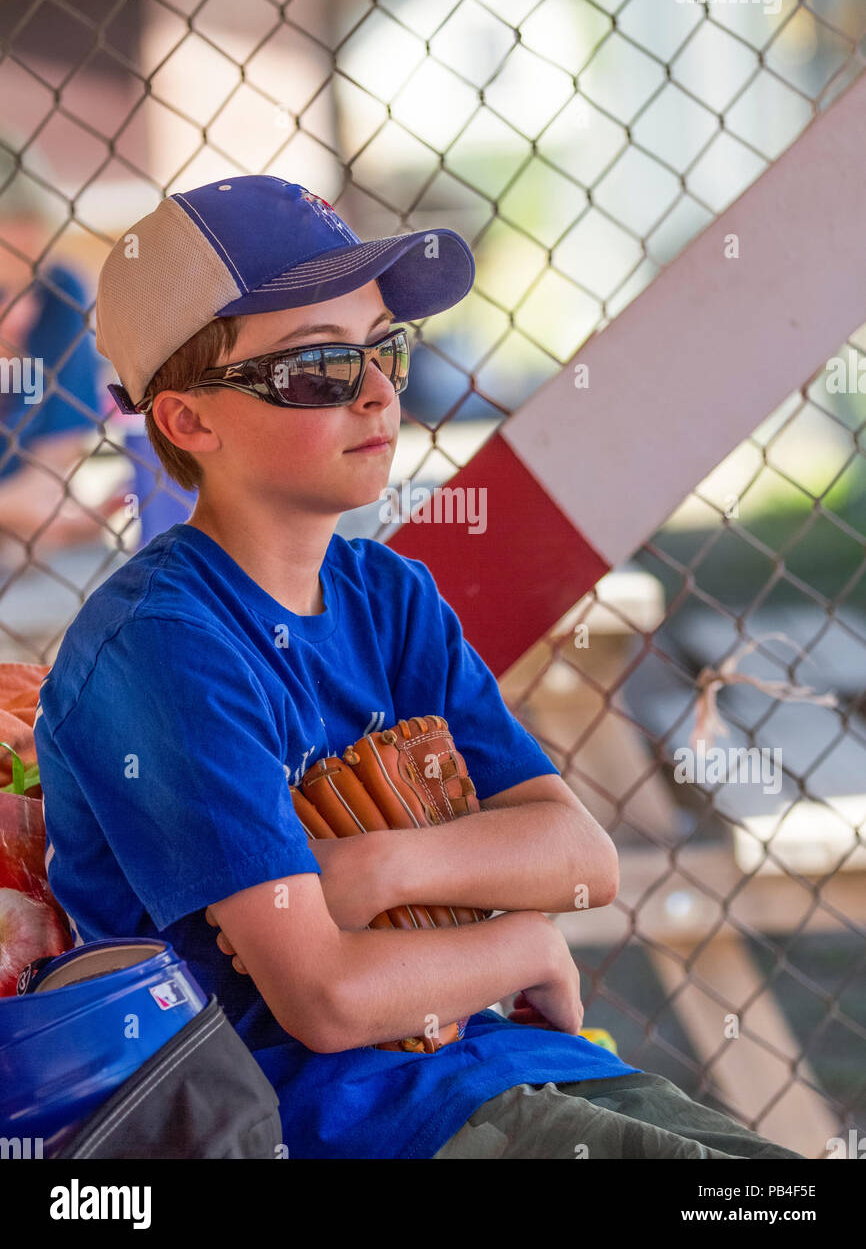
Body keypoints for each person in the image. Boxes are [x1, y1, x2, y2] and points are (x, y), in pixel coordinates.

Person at [33, 176, 806, 1159]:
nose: (376, 391)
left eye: (383, 349)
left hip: (513, 1066)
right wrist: (520, 945)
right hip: (345, 1117)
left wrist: (376, 865)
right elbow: (322, 997)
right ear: (188, 422)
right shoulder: (161, 642)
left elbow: (579, 861)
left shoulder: (388, 597)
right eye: (316, 367)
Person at [0, 154, 123, 556]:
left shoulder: (60, 297)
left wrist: (45, 520)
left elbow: (46, 481)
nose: (20, 316)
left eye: (31, 283)